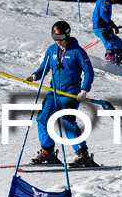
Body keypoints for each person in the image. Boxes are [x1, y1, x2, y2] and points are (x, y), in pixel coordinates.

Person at [26, 21, 98, 167]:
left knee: (66, 122)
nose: (58, 42)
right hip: (53, 93)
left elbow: (89, 71)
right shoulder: (52, 50)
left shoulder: (77, 51)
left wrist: (84, 89)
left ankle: (83, 155)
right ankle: (48, 152)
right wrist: (34, 76)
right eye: (55, 39)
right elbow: (43, 68)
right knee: (42, 119)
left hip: (70, 93)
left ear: (68, 35)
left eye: (61, 38)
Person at [92, 0, 122, 67]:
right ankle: (109, 61)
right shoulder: (104, 1)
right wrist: (111, 24)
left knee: (118, 41)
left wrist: (110, 27)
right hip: (100, 28)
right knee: (109, 44)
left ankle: (117, 62)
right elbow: (102, 14)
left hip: (105, 28)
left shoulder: (107, 2)